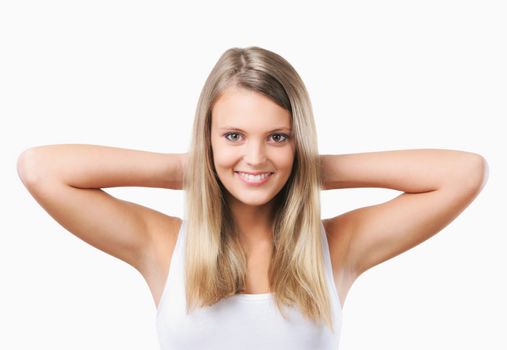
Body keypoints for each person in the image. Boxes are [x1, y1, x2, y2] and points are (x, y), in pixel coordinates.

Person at [16, 46, 488, 350]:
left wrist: (303, 169)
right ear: (208, 138)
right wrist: (195, 167)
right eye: (235, 135)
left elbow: (464, 173)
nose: (256, 156)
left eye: (278, 137)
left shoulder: (337, 248)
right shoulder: (162, 245)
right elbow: (41, 169)